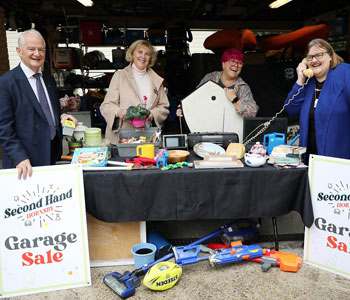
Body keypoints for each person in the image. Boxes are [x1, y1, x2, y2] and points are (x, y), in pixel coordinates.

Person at [0, 29, 77, 180]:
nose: (37, 53)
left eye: (41, 49)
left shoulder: (48, 79)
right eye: (31, 49)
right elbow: (3, 128)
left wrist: (63, 115)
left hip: (53, 154)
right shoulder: (6, 83)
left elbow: (48, 109)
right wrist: (19, 157)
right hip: (25, 162)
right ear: (19, 51)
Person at [284, 38, 350, 163]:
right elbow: (290, 108)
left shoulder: (344, 73)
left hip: (339, 159)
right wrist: (300, 80)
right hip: (311, 159)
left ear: (330, 56)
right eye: (310, 57)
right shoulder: (308, 83)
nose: (314, 60)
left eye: (319, 55)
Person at [100, 40, 169, 144]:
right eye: (140, 52)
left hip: (148, 137)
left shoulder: (157, 80)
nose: (143, 56)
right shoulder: (119, 76)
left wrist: (152, 114)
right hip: (123, 137)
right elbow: (106, 105)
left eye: (147, 54)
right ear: (132, 54)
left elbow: (164, 106)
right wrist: (120, 112)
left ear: (151, 58)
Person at [177, 48, 259, 118]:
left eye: (240, 63)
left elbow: (252, 113)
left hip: (232, 131)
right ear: (223, 64)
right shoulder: (210, 78)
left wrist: (235, 99)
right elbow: (194, 99)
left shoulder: (243, 87)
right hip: (207, 126)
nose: (236, 65)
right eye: (232, 61)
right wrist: (184, 109)